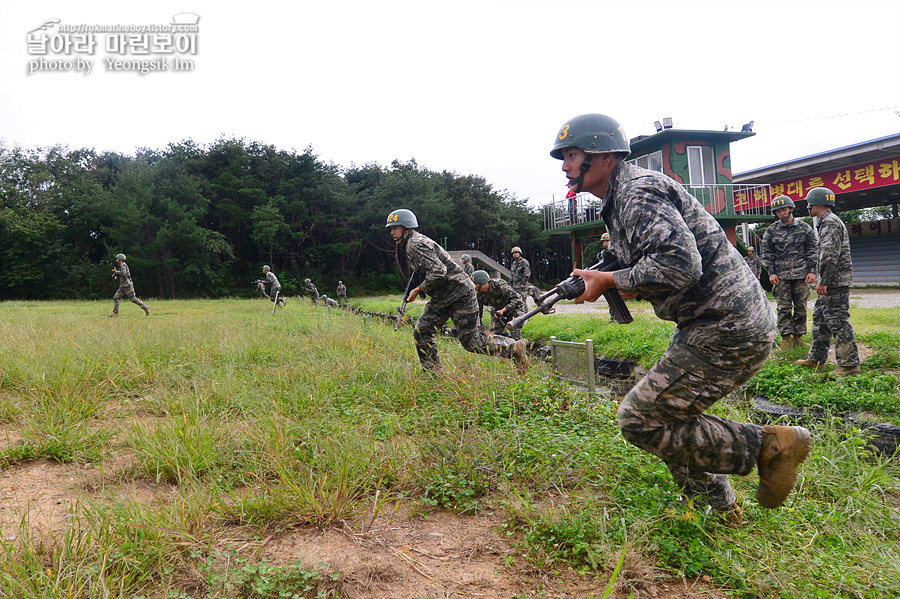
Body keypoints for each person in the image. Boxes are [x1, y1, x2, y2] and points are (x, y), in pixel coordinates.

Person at [552, 113, 810, 523]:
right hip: (712, 322)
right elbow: (651, 264)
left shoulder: (637, 194)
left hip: (726, 324)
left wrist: (610, 280)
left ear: (603, 157)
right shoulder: (621, 201)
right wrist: (604, 277)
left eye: (571, 155)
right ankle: (722, 510)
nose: (564, 166)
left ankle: (767, 446)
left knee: (639, 419)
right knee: (669, 419)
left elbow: (679, 266)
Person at [386, 208, 528, 373]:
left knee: (473, 343)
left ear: (407, 227)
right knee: (422, 331)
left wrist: (419, 289)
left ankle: (515, 348)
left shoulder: (415, 244)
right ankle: (434, 374)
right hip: (444, 296)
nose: (392, 232)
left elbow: (439, 271)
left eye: (395, 228)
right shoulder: (412, 243)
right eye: (390, 228)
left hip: (460, 295)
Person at [796, 188, 860, 376]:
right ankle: (817, 359)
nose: (807, 207)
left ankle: (849, 364)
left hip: (834, 282)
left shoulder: (830, 223)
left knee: (838, 321)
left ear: (817, 204)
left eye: (809, 203)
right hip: (832, 280)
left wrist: (823, 281)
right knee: (821, 320)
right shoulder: (825, 222)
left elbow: (829, 255)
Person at [760, 196, 818, 348]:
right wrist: (771, 273)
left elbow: (812, 250)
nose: (781, 213)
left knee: (801, 306)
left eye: (784, 209)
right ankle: (786, 338)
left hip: (801, 274)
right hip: (781, 276)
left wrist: (812, 271)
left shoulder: (805, 228)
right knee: (783, 307)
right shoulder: (771, 230)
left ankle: (798, 337)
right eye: (778, 211)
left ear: (791, 209)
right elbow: (767, 253)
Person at [472, 270, 526, 340]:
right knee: (494, 334)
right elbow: (478, 314)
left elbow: (517, 299)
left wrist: (503, 310)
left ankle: (520, 345)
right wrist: (483, 330)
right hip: (498, 311)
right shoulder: (479, 294)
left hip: (514, 308)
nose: (474, 287)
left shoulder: (500, 286)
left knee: (515, 334)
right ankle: (506, 341)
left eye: (475, 284)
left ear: (484, 283)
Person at [110, 253, 150, 317]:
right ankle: (116, 313)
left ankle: (145, 307)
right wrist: (116, 275)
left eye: (117, 258)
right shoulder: (121, 265)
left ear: (120, 259)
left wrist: (116, 271)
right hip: (123, 286)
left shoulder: (123, 265)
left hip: (127, 286)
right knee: (115, 297)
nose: (116, 260)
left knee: (133, 299)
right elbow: (121, 274)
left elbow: (123, 273)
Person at [601, 232, 616, 322]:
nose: (606, 243)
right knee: (611, 299)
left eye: (608, 241)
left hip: (615, 276)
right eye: (604, 242)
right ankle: (613, 317)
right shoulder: (603, 254)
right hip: (607, 278)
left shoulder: (617, 252)